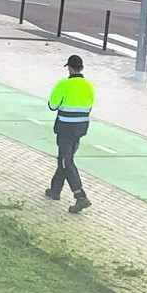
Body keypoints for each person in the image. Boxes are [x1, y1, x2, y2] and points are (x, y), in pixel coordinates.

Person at [44, 54, 94, 214]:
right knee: (66, 159)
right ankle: (55, 190)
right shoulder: (89, 86)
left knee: (66, 162)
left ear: (70, 69)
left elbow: (52, 105)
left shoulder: (63, 85)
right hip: (80, 129)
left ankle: (80, 196)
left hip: (65, 128)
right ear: (82, 68)